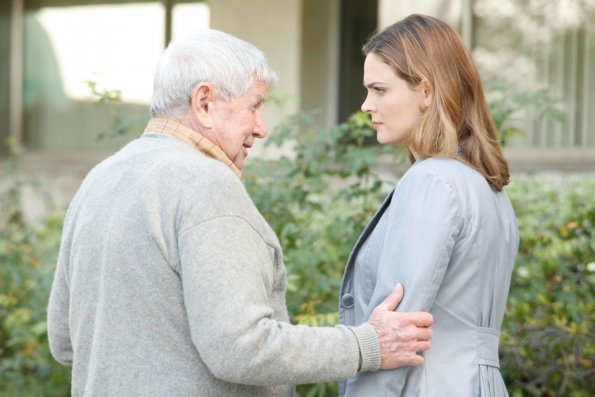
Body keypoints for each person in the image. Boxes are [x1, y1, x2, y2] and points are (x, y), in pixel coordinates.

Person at [47, 29, 434, 397]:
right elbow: (240, 346)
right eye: (254, 106)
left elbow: (63, 339)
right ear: (204, 103)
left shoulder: (99, 180)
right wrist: (367, 344)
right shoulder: (205, 184)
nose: (261, 128)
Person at [338, 14, 519, 396]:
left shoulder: (431, 181)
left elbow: (397, 333)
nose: (366, 105)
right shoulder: (487, 188)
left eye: (379, 90)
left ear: (425, 90)